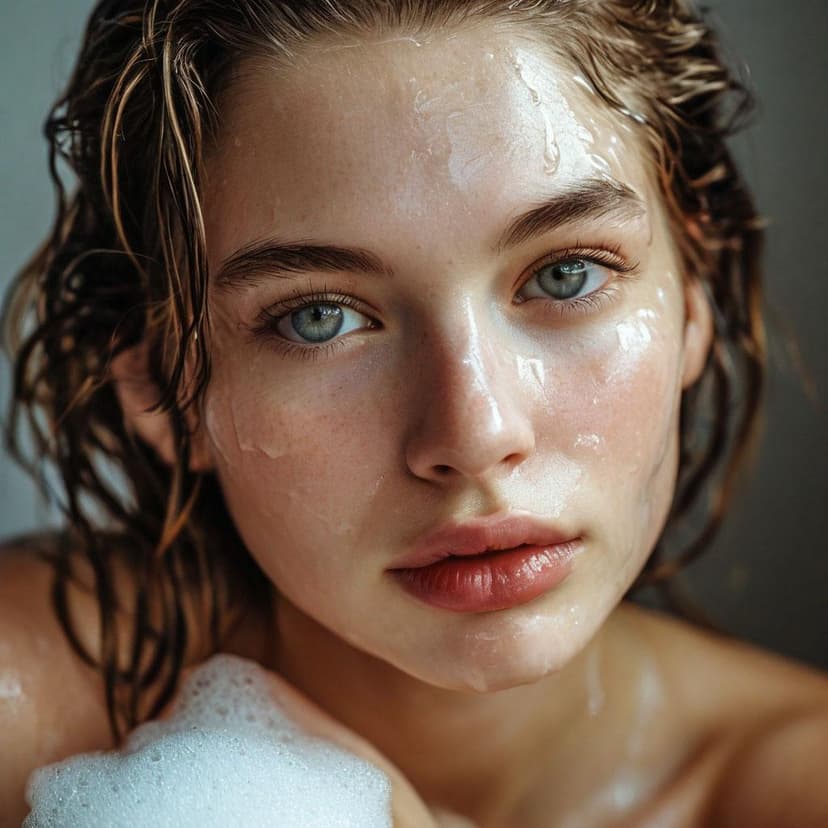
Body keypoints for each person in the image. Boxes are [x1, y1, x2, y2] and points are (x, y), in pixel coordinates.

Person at [1, 0, 826, 825]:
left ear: (693, 297)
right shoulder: (29, 711)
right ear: (162, 389)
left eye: (567, 274)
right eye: (318, 317)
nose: (476, 436)